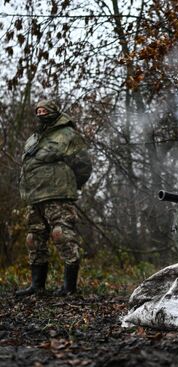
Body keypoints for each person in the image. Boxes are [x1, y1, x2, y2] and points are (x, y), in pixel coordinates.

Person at [16, 99, 92, 297]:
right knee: (33, 238)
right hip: (34, 196)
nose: (41, 113)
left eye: (44, 110)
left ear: (54, 111)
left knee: (62, 234)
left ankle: (69, 287)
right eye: (38, 110)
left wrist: (71, 185)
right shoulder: (33, 138)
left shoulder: (67, 134)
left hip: (58, 195)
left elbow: (83, 164)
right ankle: (37, 285)